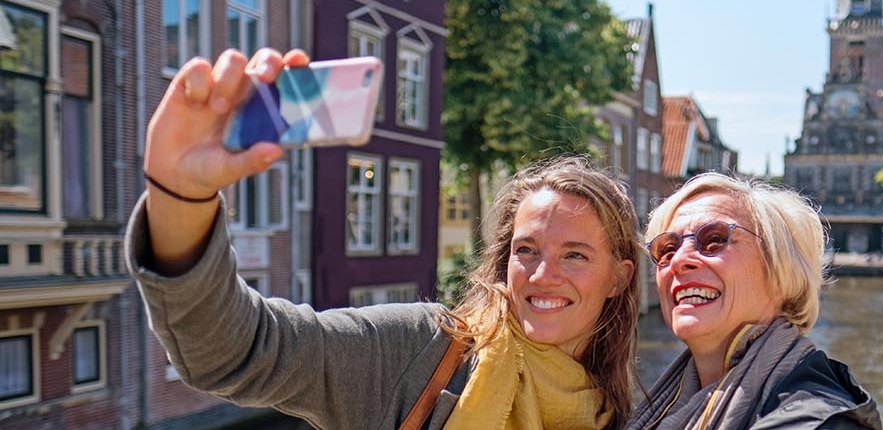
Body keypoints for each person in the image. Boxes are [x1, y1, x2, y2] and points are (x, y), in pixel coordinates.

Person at [128, 48, 641, 429]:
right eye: (526, 250)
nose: (542, 274)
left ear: (620, 277)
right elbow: (237, 350)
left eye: (574, 255)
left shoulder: (615, 413)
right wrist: (181, 196)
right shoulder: (420, 352)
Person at [626, 173, 882, 429]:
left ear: (780, 273)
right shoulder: (668, 407)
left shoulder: (821, 423)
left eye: (715, 240)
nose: (679, 260)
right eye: (667, 249)